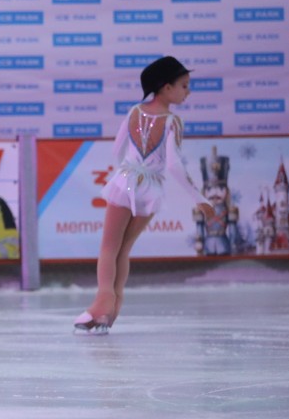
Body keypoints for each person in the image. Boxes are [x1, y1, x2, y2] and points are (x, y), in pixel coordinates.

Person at [75, 56, 214, 334]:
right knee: (123, 249)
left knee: (109, 248)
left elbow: (117, 149)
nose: (188, 92)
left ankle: (101, 306)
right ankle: (111, 309)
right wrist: (198, 196)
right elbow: (174, 165)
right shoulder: (173, 122)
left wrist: (128, 168)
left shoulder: (135, 112)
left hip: (125, 180)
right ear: (166, 88)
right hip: (149, 188)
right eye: (184, 86)